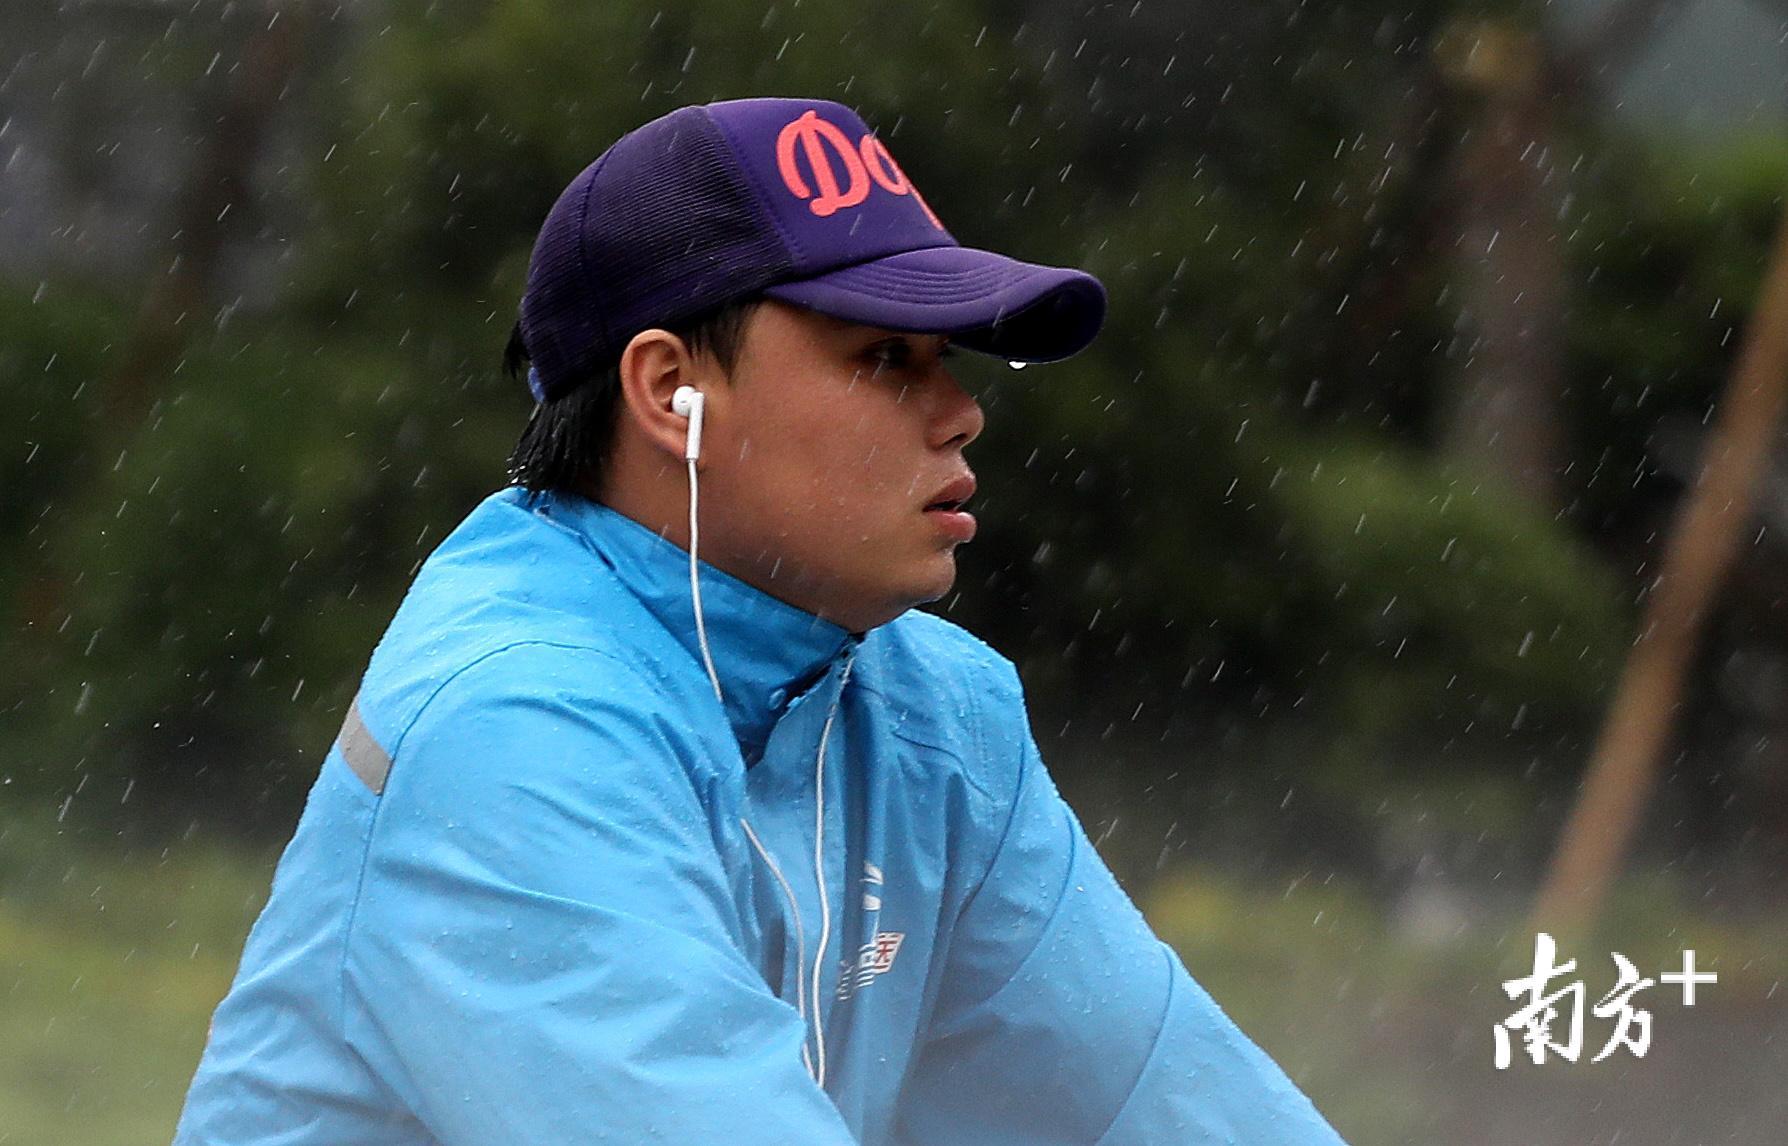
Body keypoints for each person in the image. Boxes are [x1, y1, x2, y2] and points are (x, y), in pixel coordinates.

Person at [175, 97, 1347, 1145]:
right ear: (669, 393)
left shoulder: (939, 716)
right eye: (886, 355)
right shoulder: (519, 727)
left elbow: (1162, 1103)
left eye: (948, 357)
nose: (962, 412)